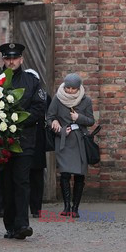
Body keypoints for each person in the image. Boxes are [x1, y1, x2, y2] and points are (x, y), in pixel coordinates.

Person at [0, 43, 45, 239]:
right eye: (7, 58)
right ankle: (10, 225)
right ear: (3, 60)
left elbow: (39, 108)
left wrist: (18, 121)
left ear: (21, 59)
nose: (11, 61)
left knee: (22, 182)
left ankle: (22, 224)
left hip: (24, 140)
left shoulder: (31, 81)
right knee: (6, 184)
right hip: (1, 143)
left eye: (14, 58)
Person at [46, 73, 95, 218]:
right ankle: (66, 206)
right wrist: (54, 124)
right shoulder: (57, 99)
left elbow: (91, 121)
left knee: (79, 175)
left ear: (79, 87)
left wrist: (78, 118)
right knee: (65, 173)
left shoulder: (86, 100)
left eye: (73, 88)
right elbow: (49, 117)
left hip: (80, 140)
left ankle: (75, 208)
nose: (70, 91)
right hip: (63, 140)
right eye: (68, 88)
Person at [25, 69, 51, 218]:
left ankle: (36, 208)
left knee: (36, 176)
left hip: (38, 141)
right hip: (27, 140)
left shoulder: (44, 97)